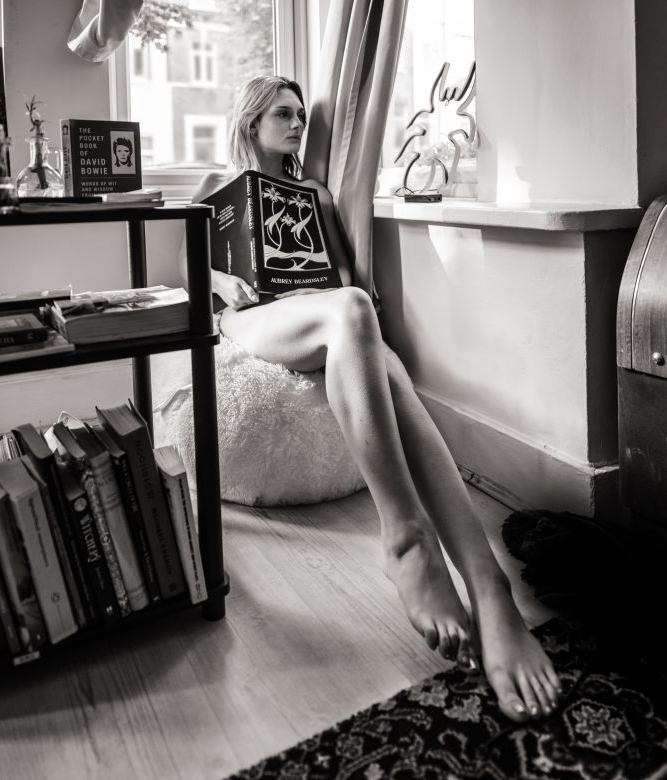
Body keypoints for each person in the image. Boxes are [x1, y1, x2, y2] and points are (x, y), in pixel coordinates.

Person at [181, 75, 562, 723]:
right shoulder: (214, 188)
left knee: (369, 337)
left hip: (321, 312)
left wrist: (338, 291)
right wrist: (221, 282)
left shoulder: (316, 194)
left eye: (303, 114)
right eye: (284, 114)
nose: (299, 124)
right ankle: (416, 542)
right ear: (251, 123)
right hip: (255, 320)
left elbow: (347, 279)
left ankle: (486, 585)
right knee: (356, 321)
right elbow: (172, 268)